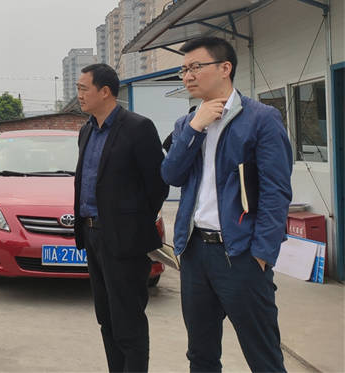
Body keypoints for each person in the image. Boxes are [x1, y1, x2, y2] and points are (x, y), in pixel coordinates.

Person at [161, 36, 292, 372]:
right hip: (195, 253)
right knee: (201, 354)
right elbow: (171, 174)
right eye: (183, 70)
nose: (188, 76)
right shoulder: (187, 123)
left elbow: (276, 192)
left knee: (263, 356)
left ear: (225, 68)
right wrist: (195, 127)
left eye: (195, 67)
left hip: (241, 254)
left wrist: (262, 253)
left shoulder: (261, 119)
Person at [73, 63, 168, 372]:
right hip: (92, 235)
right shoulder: (87, 130)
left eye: (83, 88)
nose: (79, 95)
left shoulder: (138, 128)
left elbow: (157, 186)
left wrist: (131, 225)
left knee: (129, 321)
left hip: (124, 241)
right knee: (107, 318)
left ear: (105, 91)